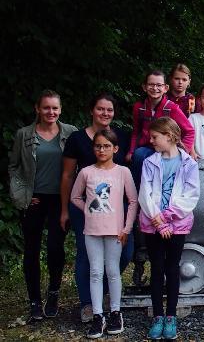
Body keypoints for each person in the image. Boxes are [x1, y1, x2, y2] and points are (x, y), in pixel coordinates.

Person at [60, 93, 133, 322]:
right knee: (86, 256)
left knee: (123, 254)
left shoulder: (120, 136)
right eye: (100, 109)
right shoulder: (77, 139)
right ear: (92, 110)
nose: (105, 113)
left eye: (109, 110)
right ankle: (88, 304)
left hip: (115, 208)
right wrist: (65, 209)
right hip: (89, 207)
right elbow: (68, 175)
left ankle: (105, 297)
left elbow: (127, 183)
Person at [9, 90, 77, 321]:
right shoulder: (24, 134)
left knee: (55, 248)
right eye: (46, 107)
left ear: (60, 109)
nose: (51, 112)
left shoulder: (70, 133)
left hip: (60, 199)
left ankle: (54, 294)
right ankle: (35, 301)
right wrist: (22, 196)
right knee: (31, 250)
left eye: (55, 108)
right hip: (35, 199)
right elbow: (14, 167)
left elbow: (78, 167)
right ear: (37, 109)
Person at [70, 130, 139, 338]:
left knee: (112, 271)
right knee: (95, 272)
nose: (102, 150)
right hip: (92, 231)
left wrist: (126, 228)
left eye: (106, 146)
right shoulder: (86, 172)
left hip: (115, 231)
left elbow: (133, 201)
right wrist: (89, 210)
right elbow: (75, 197)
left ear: (115, 149)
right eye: (98, 146)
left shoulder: (122, 172)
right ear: (94, 148)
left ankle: (116, 312)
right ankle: (98, 315)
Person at [138, 117, 200, 340]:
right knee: (156, 268)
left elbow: (191, 196)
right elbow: (145, 193)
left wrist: (166, 218)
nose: (151, 140)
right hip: (152, 224)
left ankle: (171, 316)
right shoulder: (149, 162)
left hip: (177, 226)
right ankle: (157, 316)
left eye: (155, 137)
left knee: (172, 268)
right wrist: (158, 221)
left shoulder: (189, 164)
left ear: (170, 137)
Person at [127, 70, 195, 188]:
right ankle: (136, 196)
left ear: (165, 88)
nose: (155, 88)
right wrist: (131, 151)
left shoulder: (172, 108)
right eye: (151, 85)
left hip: (166, 149)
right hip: (147, 148)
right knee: (138, 155)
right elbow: (136, 132)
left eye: (159, 85)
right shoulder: (139, 107)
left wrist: (184, 152)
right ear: (144, 87)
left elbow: (189, 131)